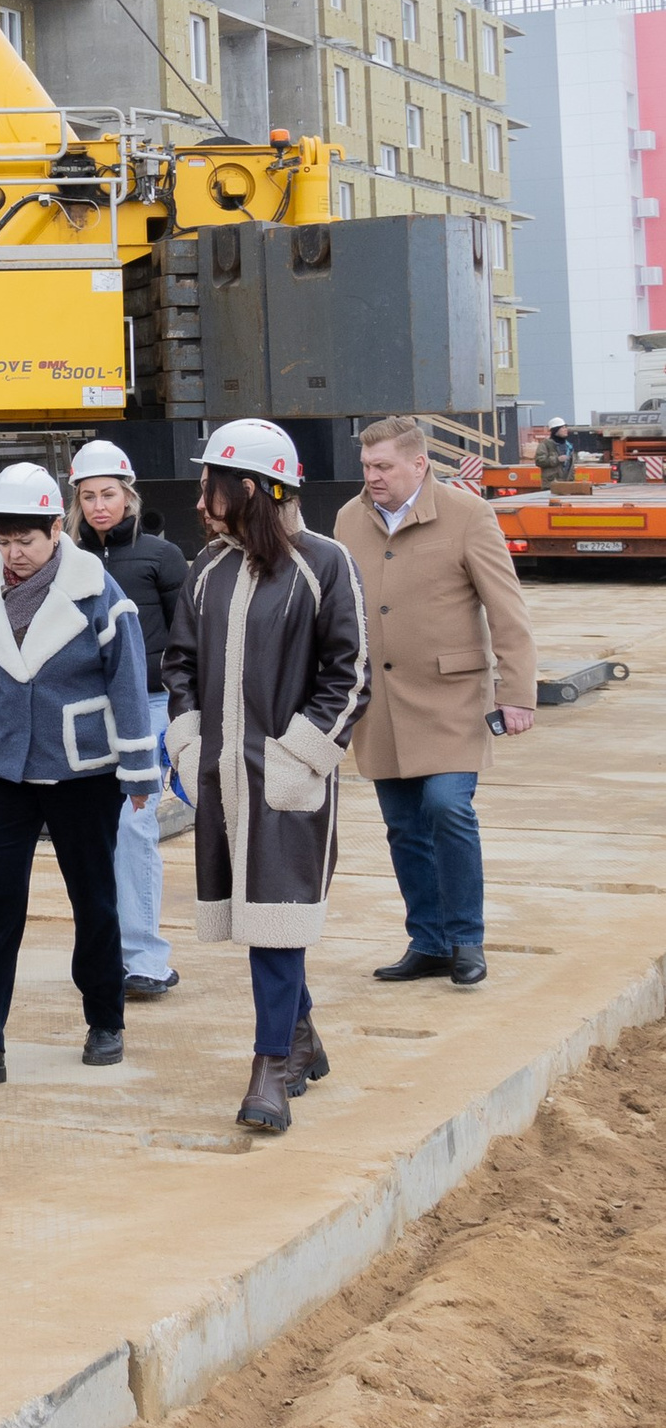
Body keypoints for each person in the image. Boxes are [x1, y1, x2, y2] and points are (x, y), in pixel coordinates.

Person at [163, 416, 369, 1136]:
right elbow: (179, 665)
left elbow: (350, 676)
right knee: (263, 924)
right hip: (223, 779)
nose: (200, 499)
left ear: (248, 488)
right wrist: (188, 745)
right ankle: (303, 1035)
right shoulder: (208, 571)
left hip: (287, 783)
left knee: (279, 924)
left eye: (209, 483)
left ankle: (269, 1068)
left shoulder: (326, 564)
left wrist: (297, 758)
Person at [0, 463, 161, 1086]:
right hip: (1, 769)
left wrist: (140, 772)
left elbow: (129, 683)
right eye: (4, 541)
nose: (15, 554)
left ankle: (105, 1020)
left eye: (27, 540)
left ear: (57, 528)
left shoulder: (100, 590)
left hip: (83, 771)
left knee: (94, 901)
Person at [335, 414, 536, 990]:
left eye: (383, 467)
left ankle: (466, 940)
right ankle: (428, 941)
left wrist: (516, 692)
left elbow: (507, 610)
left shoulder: (469, 515)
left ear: (418, 464)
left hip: (450, 699)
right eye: (367, 466)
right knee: (402, 825)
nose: (372, 477)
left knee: (448, 808)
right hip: (380, 703)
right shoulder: (350, 519)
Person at [66, 438, 189, 1002]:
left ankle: (143, 957)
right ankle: (103, 952)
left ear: (128, 495)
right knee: (94, 832)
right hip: (90, 712)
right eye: (88, 496)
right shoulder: (68, 560)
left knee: (135, 827)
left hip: (149, 706)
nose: (99, 506)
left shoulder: (161, 557)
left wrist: (188, 709)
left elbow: (188, 640)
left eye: (108, 494)